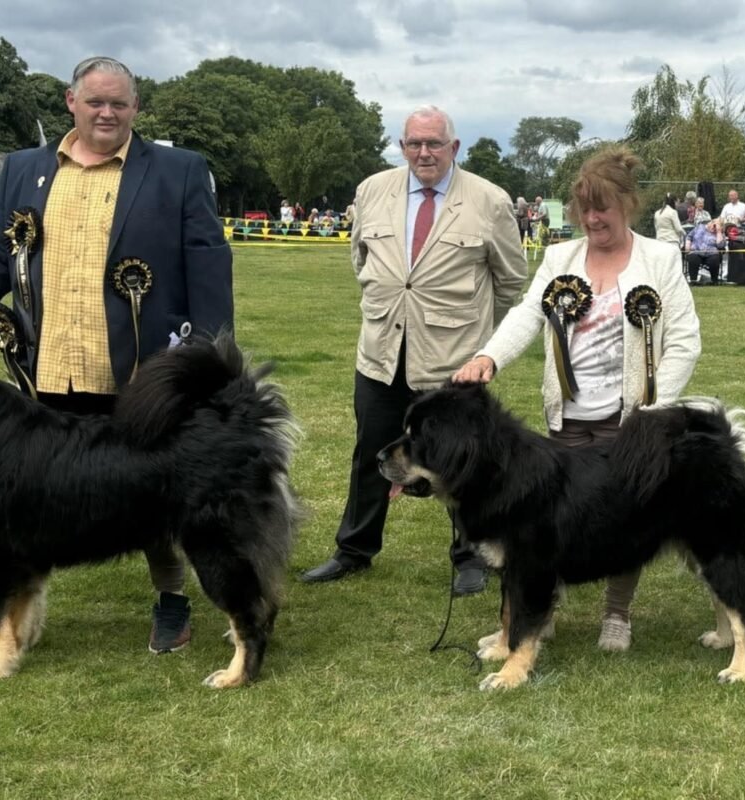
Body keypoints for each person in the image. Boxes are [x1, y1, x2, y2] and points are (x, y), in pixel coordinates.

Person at [0, 56, 232, 652]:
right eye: (96, 101)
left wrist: (207, 359)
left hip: (141, 372)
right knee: (19, 489)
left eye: (120, 103)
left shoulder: (179, 170)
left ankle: (171, 599)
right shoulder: (24, 169)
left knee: (156, 488)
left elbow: (209, 266)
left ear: (136, 108)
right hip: (45, 364)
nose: (107, 113)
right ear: (71, 102)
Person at [453, 146, 701, 651]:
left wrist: (652, 409)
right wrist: (488, 358)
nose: (591, 218)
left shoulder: (661, 259)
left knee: (626, 517)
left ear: (627, 204)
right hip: (566, 416)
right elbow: (527, 314)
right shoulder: (559, 258)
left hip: (629, 419)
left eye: (602, 208)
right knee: (547, 523)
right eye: (583, 209)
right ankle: (539, 614)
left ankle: (617, 613)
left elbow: (685, 340)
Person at [300, 105, 528, 593]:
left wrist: (483, 350)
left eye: (434, 143)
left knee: (465, 460)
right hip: (382, 353)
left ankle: (471, 557)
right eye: (413, 144)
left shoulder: (490, 201)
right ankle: (354, 549)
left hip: (454, 364)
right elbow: (361, 258)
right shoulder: (371, 190)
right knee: (371, 454)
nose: (424, 153)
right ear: (401, 146)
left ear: (454, 147)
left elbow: (511, 281)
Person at [683, 215, 723, 285]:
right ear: (711, 222)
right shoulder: (700, 227)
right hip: (696, 251)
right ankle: (693, 280)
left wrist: (719, 232)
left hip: (711, 253)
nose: (714, 228)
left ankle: (714, 281)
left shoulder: (719, 233)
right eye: (714, 225)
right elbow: (689, 236)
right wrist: (687, 247)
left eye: (716, 227)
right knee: (693, 257)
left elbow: (720, 246)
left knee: (714, 259)